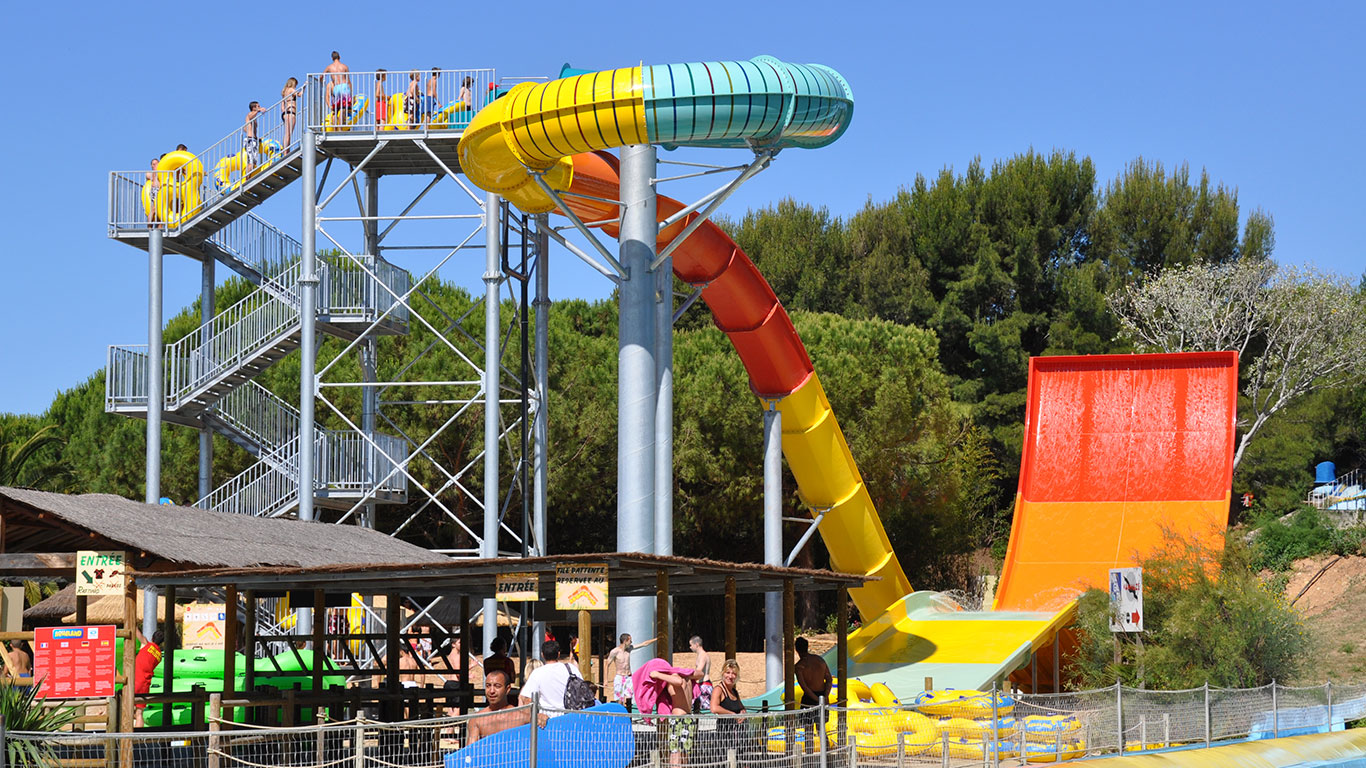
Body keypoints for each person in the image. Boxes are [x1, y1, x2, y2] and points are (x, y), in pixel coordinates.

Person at [632, 658, 702, 767]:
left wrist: (657, 675)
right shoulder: (686, 677)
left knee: (675, 753)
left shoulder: (674, 677)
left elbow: (678, 682)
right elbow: (700, 673)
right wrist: (684, 671)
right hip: (688, 718)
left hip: (678, 719)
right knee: (684, 752)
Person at [518, 640, 583, 716]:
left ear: (542, 655)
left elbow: (527, 698)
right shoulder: (571, 669)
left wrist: (535, 717)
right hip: (571, 716)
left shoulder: (537, 673)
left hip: (547, 720)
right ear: (558, 654)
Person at [466, 668, 530, 744]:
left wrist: (542, 717)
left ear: (508, 689)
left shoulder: (522, 718)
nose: (491, 691)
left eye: (497, 686)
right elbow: (470, 752)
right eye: (488, 686)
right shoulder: (477, 720)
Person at [793, 637, 832, 753]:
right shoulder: (819, 660)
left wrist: (816, 699)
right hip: (822, 695)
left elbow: (804, 687)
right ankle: (827, 756)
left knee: (808, 731)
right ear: (808, 646)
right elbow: (829, 679)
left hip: (809, 699)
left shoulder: (799, 666)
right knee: (821, 730)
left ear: (796, 649)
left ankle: (809, 757)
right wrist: (824, 697)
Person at [605, 633, 657, 706]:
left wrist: (656, 639)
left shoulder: (629, 649)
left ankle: (629, 713)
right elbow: (607, 664)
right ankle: (621, 714)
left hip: (628, 677)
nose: (631, 642)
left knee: (629, 696)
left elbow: (644, 644)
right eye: (630, 641)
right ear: (625, 641)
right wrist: (606, 680)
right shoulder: (615, 651)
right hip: (620, 677)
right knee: (620, 699)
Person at [133, 627, 164, 727]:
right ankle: (137, 739)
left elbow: (137, 634)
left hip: (135, 680)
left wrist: (133, 624)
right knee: (139, 714)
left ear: (152, 638)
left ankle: (126, 736)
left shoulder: (146, 645)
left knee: (126, 709)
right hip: (145, 683)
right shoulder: (159, 656)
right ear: (162, 643)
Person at [325, 51, 352, 122]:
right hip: (344, 87)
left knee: (335, 110)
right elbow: (348, 80)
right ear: (339, 57)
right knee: (343, 108)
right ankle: (340, 128)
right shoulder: (344, 66)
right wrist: (351, 92)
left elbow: (322, 76)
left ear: (332, 58)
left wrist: (321, 81)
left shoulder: (329, 67)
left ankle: (335, 128)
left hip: (336, 88)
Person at [689, 635, 712, 711]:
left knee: (704, 708)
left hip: (704, 685)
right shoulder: (701, 655)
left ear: (696, 644)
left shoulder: (703, 655)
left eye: (691, 645)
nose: (690, 647)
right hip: (702, 684)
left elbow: (699, 671)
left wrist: (688, 676)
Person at [243, 101, 266, 176]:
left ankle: (248, 176)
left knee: (254, 161)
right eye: (258, 106)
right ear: (253, 108)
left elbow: (245, 128)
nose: (259, 107)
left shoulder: (254, 118)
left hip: (254, 140)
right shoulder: (250, 114)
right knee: (251, 161)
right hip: (250, 140)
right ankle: (247, 179)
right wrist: (259, 110)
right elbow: (250, 117)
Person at [281, 77, 301, 148]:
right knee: (289, 133)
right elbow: (299, 94)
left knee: (286, 133)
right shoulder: (291, 89)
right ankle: (286, 150)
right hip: (291, 112)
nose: (295, 86)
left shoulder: (284, 91)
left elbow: (282, 106)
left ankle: (285, 149)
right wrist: (304, 87)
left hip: (285, 113)